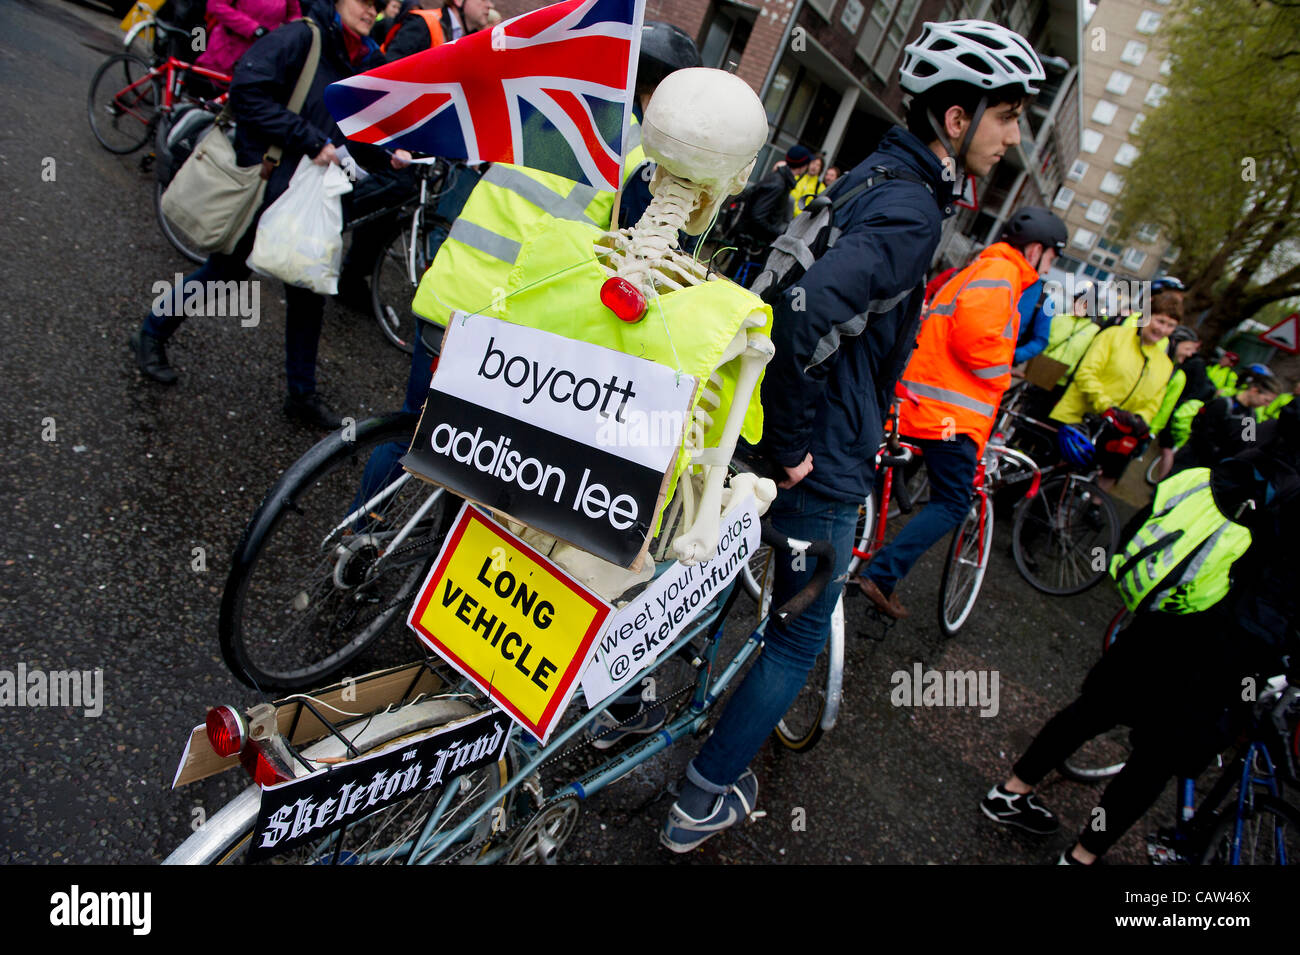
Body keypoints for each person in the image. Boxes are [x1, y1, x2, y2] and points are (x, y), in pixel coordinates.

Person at [660, 18, 1047, 852]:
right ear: (957, 118)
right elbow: (805, 315)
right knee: (796, 634)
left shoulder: (878, 172)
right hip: (823, 458)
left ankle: (634, 702)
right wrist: (800, 443)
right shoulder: (912, 209)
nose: (1012, 136)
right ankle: (700, 798)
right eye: (1007, 115)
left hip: (760, 420)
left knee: (699, 563)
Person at [982, 421, 1300, 865]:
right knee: (1154, 762)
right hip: (1233, 648)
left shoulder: (1256, 447)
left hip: (1167, 617)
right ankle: (1081, 854)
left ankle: (1011, 791)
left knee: (1091, 710)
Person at [130, 0, 403, 429]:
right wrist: (310, 141)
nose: (371, 11)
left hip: (310, 195)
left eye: (377, 5)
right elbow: (247, 92)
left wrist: (390, 156)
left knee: (307, 289)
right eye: (362, 1)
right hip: (271, 180)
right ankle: (151, 332)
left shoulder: (365, 60)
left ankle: (301, 394)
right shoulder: (302, 37)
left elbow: (353, 131)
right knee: (226, 271)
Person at [855, 207, 1065, 619]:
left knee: (884, 480)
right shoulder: (1004, 274)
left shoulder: (980, 267)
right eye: (1054, 257)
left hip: (927, 401)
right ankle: (881, 574)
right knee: (952, 501)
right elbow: (974, 340)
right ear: (1038, 249)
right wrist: (1002, 375)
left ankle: (856, 550)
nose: (1052, 267)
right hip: (951, 413)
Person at [1048, 291, 1181, 490]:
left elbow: (1154, 402)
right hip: (1074, 420)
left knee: (1067, 489)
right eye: (1160, 321)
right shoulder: (1114, 336)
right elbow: (1086, 373)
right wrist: (1107, 406)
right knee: (1046, 475)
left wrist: (1139, 420)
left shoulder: (1165, 365)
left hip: (1109, 434)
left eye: (1170, 326)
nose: (1162, 329)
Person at [1169, 373, 1281, 474]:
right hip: (1191, 460)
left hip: (1213, 469)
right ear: (1254, 390)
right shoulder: (1223, 404)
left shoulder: (1251, 417)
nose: (1266, 405)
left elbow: (1246, 445)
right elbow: (1201, 432)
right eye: (1266, 400)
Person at [1148, 325, 1213, 481]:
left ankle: (1162, 482)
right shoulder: (1184, 366)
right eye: (1189, 348)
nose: (1191, 353)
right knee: (1167, 448)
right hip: (1174, 411)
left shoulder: (1249, 419)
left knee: (1167, 448)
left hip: (1175, 411)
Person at [195, 0, 303, 78]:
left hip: (263, 58)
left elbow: (294, 16)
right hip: (227, 52)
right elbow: (216, 5)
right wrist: (253, 28)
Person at [382, 0, 493, 59]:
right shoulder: (422, 23)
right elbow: (390, 69)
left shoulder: (471, 41)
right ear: (458, 1)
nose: (490, 5)